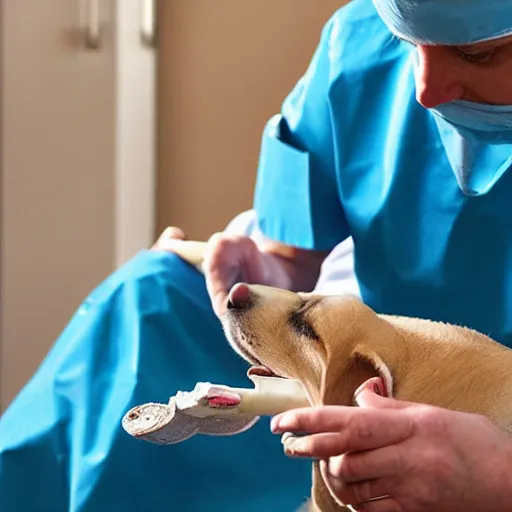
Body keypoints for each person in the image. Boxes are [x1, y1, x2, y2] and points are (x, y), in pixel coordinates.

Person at [2, 0, 512, 510]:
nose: (424, 91)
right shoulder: (358, 42)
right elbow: (296, 244)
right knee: (151, 296)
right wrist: (277, 271)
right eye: (405, 44)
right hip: (359, 360)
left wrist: (495, 474)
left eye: (480, 54)